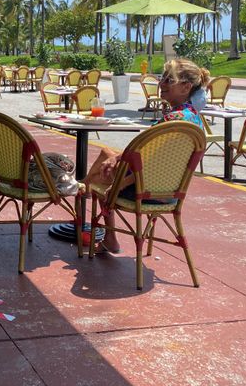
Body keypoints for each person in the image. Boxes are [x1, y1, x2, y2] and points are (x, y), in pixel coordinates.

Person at [84, 58, 209, 253]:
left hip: (143, 191)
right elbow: (156, 161)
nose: (162, 84)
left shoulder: (171, 121)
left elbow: (148, 164)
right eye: (163, 78)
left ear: (185, 87)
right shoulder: (192, 120)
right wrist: (117, 158)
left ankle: (85, 194)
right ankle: (85, 187)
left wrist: (118, 186)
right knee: (107, 156)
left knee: (102, 173)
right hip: (171, 194)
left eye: (169, 80)